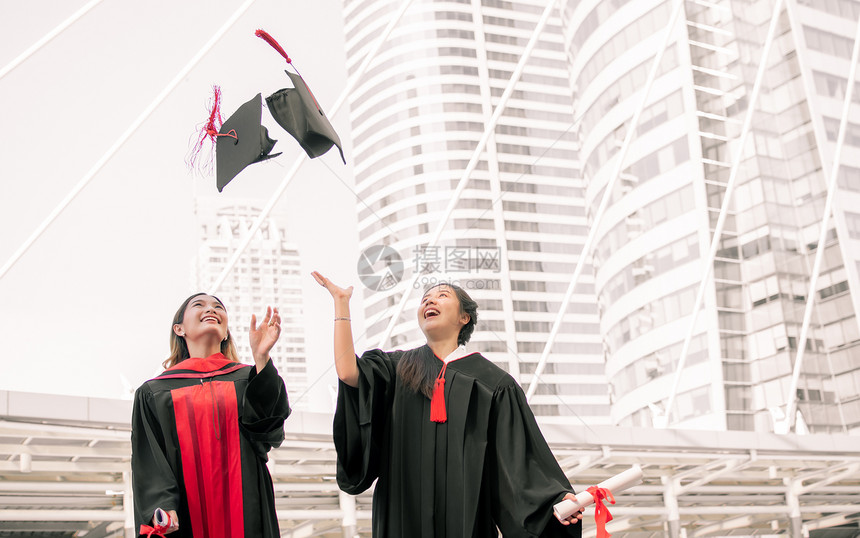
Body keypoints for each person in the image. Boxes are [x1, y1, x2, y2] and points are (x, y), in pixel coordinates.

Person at [312, 271, 584, 537]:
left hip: (467, 522)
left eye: (442, 296)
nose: (429, 301)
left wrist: (555, 501)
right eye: (425, 299)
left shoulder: (494, 384)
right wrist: (341, 304)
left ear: (464, 317)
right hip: (402, 519)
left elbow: (520, 460)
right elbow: (348, 372)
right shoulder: (394, 369)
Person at [131, 293, 290, 537]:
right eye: (200, 305)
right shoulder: (155, 392)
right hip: (186, 513)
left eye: (218, 307)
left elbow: (270, 433)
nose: (212, 309)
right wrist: (161, 504)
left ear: (225, 333)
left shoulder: (249, 379)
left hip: (247, 507)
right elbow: (149, 457)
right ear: (179, 329)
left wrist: (261, 358)